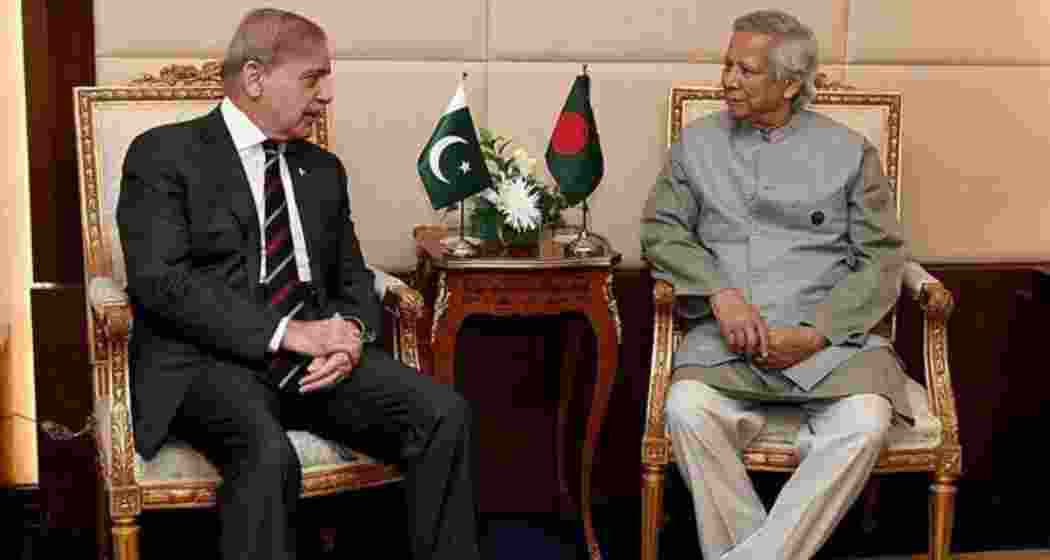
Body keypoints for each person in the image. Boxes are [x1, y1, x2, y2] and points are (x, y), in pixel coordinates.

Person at [117, 8, 479, 560]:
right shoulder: (163, 155)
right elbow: (161, 283)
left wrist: (350, 333)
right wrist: (288, 333)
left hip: (316, 362)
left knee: (443, 415)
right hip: (207, 361)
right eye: (313, 78)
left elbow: (352, 275)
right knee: (266, 455)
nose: (326, 95)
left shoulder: (322, 171)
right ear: (255, 78)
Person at [641, 9, 914, 560]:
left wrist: (817, 332)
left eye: (745, 70)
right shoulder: (696, 146)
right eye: (727, 65)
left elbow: (882, 258)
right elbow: (661, 232)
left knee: (867, 422)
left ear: (790, 84)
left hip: (831, 350)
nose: (727, 80)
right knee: (686, 410)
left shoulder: (848, 152)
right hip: (728, 345)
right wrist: (719, 293)